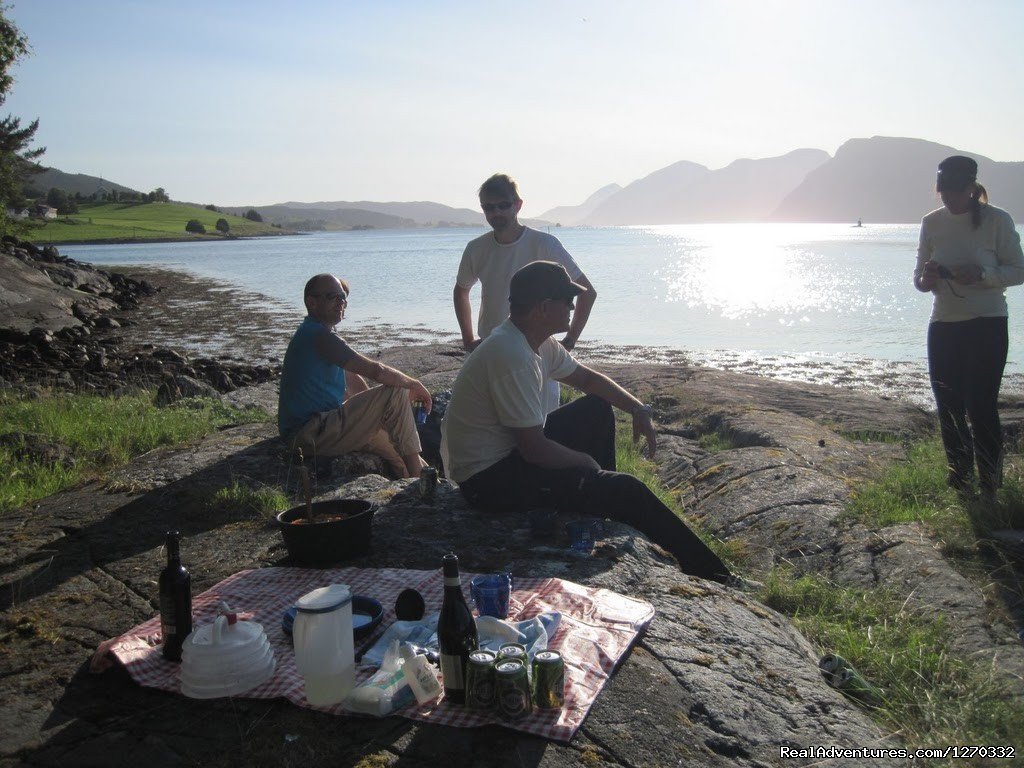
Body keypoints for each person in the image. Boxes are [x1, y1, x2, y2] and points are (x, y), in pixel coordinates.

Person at [441, 260, 732, 583]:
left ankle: (596, 499)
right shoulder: (511, 355)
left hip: (508, 455)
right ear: (543, 307)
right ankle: (717, 576)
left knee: (596, 408)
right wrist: (587, 464)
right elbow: (534, 450)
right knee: (628, 489)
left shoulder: (534, 341)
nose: (572, 305)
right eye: (567, 300)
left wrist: (637, 408)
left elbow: (588, 381)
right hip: (487, 482)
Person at [914, 155, 1024, 499]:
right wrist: (928, 278)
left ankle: (990, 482)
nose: (948, 198)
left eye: (955, 192)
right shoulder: (931, 222)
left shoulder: (997, 221)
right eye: (943, 191)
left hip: (987, 324)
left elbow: (1018, 270)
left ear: (972, 189)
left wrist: (982, 275)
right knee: (947, 403)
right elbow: (918, 279)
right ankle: (959, 479)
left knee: (980, 404)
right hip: (943, 324)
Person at [454, 173, 597, 414]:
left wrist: (569, 342)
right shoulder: (476, 249)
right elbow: (461, 291)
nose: (496, 213)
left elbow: (587, 292)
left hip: (538, 354)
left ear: (518, 205)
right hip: (492, 352)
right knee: (494, 432)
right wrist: (468, 339)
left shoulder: (545, 245)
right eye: (489, 208)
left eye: (503, 205)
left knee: (542, 428)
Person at [278, 273, 432, 478]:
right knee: (396, 391)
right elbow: (377, 371)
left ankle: (428, 484)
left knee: (397, 450)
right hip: (309, 433)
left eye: (343, 298)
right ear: (311, 302)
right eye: (333, 296)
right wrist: (413, 384)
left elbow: (356, 386)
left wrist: (382, 416)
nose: (341, 302)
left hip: (324, 427)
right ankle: (420, 486)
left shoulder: (321, 338)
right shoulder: (317, 335)